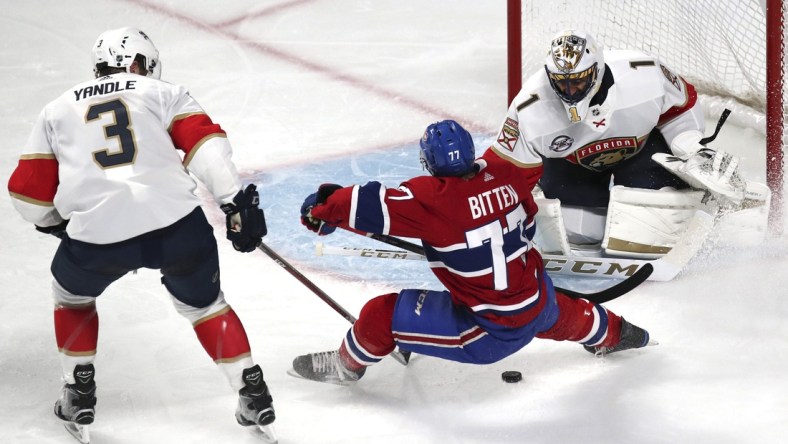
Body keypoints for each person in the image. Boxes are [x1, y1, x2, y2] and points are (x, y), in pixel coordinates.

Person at [7, 27, 275, 440]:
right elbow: (205, 145)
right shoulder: (162, 92)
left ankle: (78, 392)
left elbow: (26, 193)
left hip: (98, 239)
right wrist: (234, 202)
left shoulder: (56, 110)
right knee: (205, 307)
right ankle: (250, 388)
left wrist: (54, 223)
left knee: (72, 296)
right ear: (136, 63)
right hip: (178, 228)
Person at [291, 119, 652, 385]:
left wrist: (322, 209)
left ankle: (345, 366)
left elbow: (366, 205)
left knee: (381, 314)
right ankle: (621, 334)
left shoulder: (429, 201)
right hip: (536, 298)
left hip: (489, 329)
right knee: (564, 315)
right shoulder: (507, 173)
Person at [497, 29, 769, 258]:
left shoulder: (644, 74)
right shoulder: (529, 107)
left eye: (578, 83)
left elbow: (681, 106)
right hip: (572, 169)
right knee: (578, 232)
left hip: (639, 154)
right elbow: (505, 168)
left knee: (652, 226)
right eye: (562, 83)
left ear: (597, 70)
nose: (570, 92)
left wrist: (690, 145)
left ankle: (693, 207)